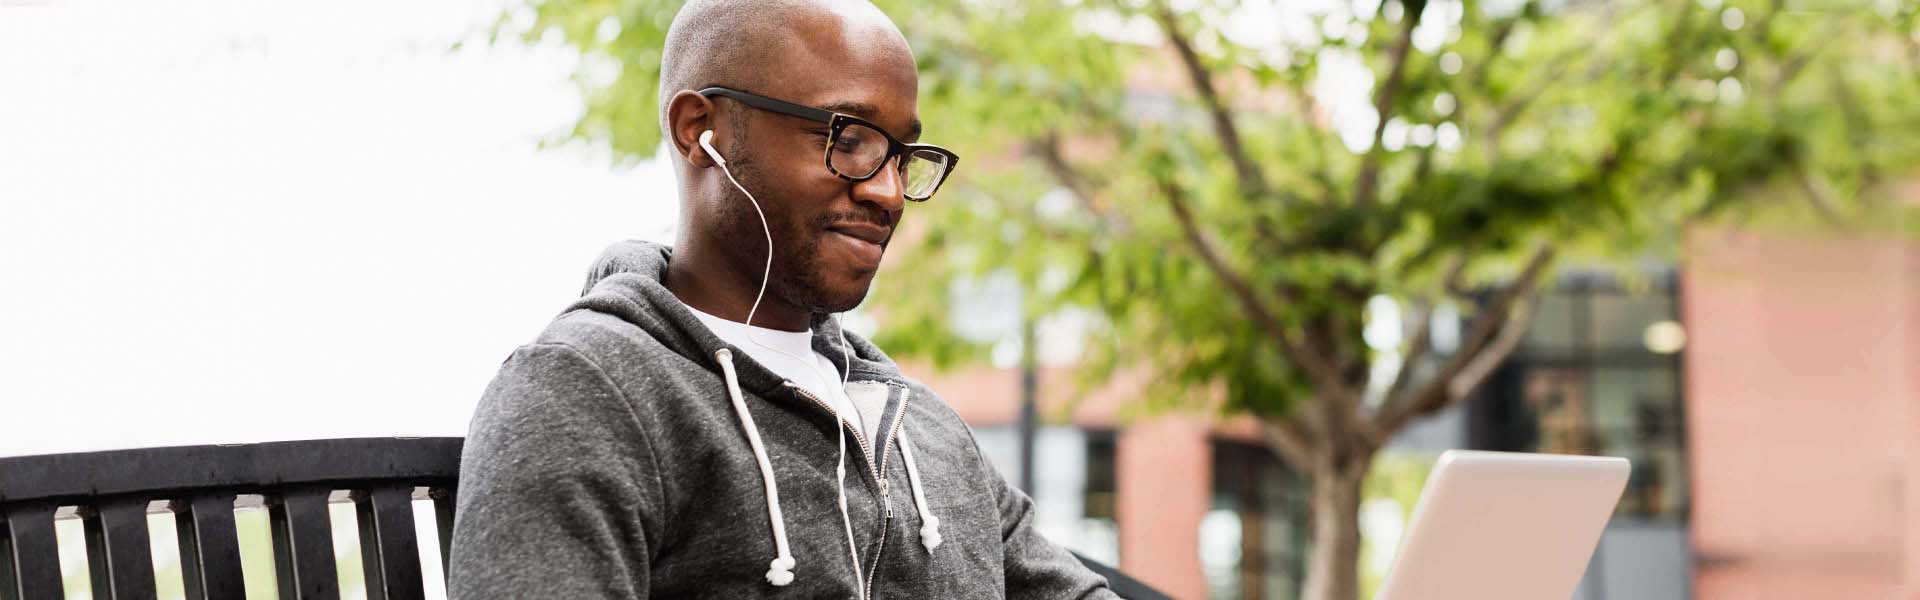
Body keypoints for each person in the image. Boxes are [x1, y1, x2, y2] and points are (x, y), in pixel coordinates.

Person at [446, 1, 1121, 598]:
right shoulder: (586, 393)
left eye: (901, 155)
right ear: (698, 131)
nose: (887, 192)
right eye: (847, 140)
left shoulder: (924, 430)